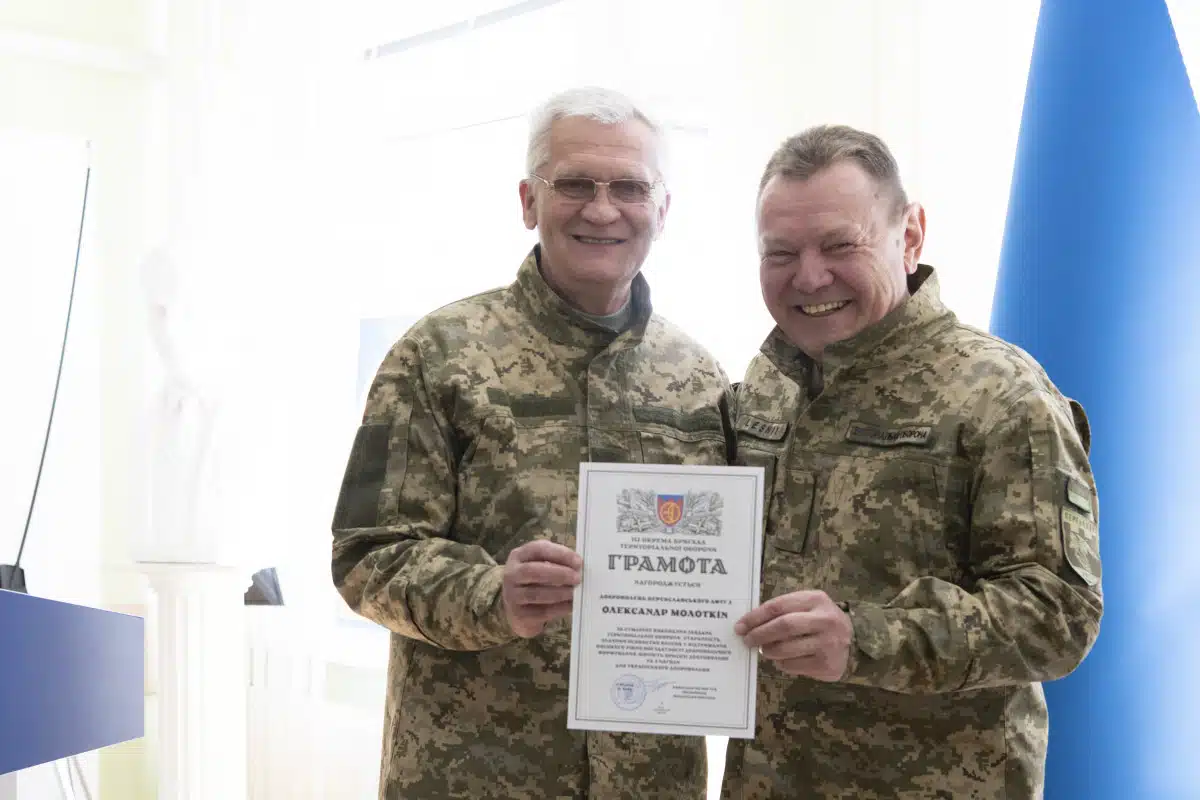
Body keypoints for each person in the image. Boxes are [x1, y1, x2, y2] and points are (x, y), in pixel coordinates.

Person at [330, 86, 731, 799]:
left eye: (629, 187)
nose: (602, 210)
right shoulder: (439, 355)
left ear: (662, 210)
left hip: (651, 779)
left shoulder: (700, 379)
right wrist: (493, 595)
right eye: (574, 184)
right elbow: (366, 558)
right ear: (528, 201)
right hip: (476, 774)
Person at [722, 124, 1104, 799]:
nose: (809, 276)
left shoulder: (1002, 394)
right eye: (780, 252)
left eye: (840, 245)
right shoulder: (764, 386)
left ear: (911, 235)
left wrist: (864, 638)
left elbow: (1058, 616)